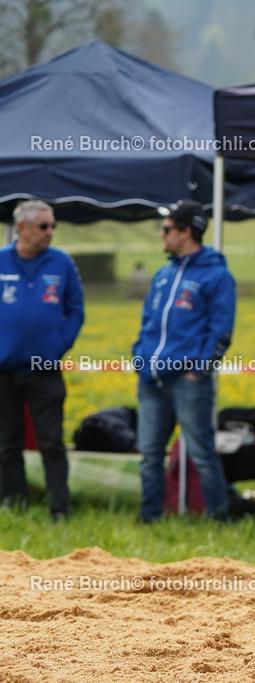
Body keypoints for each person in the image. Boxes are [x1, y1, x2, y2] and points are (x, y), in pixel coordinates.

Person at [132, 199, 235, 523]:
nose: (161, 235)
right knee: (149, 455)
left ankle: (219, 519)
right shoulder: (163, 273)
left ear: (186, 232)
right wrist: (139, 357)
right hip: (151, 380)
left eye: (166, 229)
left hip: (188, 382)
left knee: (202, 454)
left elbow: (221, 331)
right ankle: (149, 518)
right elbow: (147, 321)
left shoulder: (217, 276)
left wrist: (198, 371)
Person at [0, 200, 83, 519]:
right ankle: (14, 500)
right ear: (21, 228)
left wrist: (58, 346)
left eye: (53, 226)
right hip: (4, 369)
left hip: (44, 370)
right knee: (8, 441)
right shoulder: (2, 260)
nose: (50, 232)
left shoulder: (61, 262)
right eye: (43, 226)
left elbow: (75, 309)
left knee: (51, 441)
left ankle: (59, 507)